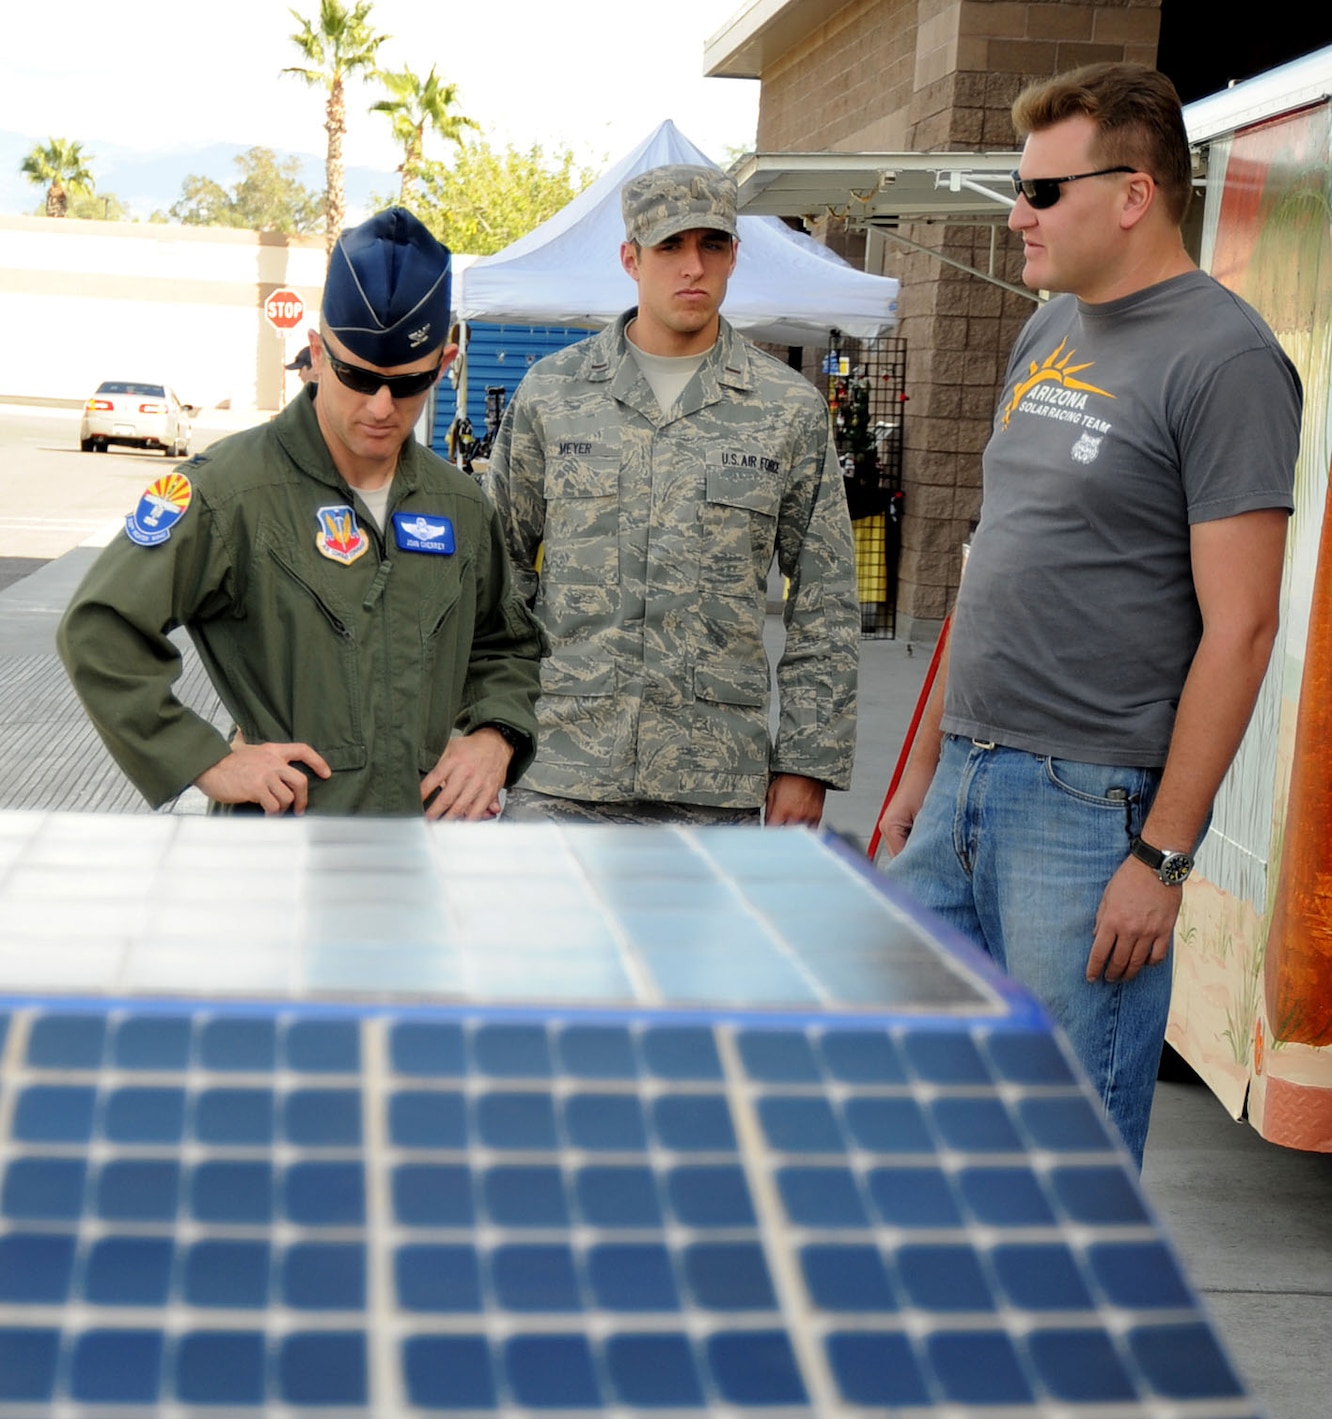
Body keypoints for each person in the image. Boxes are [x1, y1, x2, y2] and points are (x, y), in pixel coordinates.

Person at [880, 63, 1301, 1167]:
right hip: (965, 787)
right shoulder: (1045, 330)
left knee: (1062, 1173)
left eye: (1042, 191)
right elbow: (993, 566)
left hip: (1086, 811)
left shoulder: (1227, 360)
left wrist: (1162, 857)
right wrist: (924, 777)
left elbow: (1244, 628)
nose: (1017, 214)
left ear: (1134, 194)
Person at [60, 207, 543, 818]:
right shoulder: (231, 492)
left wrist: (493, 739)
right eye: (357, 375)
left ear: (444, 366)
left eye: (409, 382)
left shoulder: (461, 506)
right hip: (282, 862)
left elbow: (507, 645)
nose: (382, 406)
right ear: (317, 353)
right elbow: (100, 628)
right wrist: (205, 759)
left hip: (426, 858)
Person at [486, 165, 858, 827]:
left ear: (734, 255)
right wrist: (487, 730)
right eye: (669, 247)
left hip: (714, 782)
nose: (693, 266)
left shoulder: (786, 410)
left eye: (711, 245)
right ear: (630, 258)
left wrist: (808, 761)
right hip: (562, 770)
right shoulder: (555, 395)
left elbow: (826, 598)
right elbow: (496, 580)